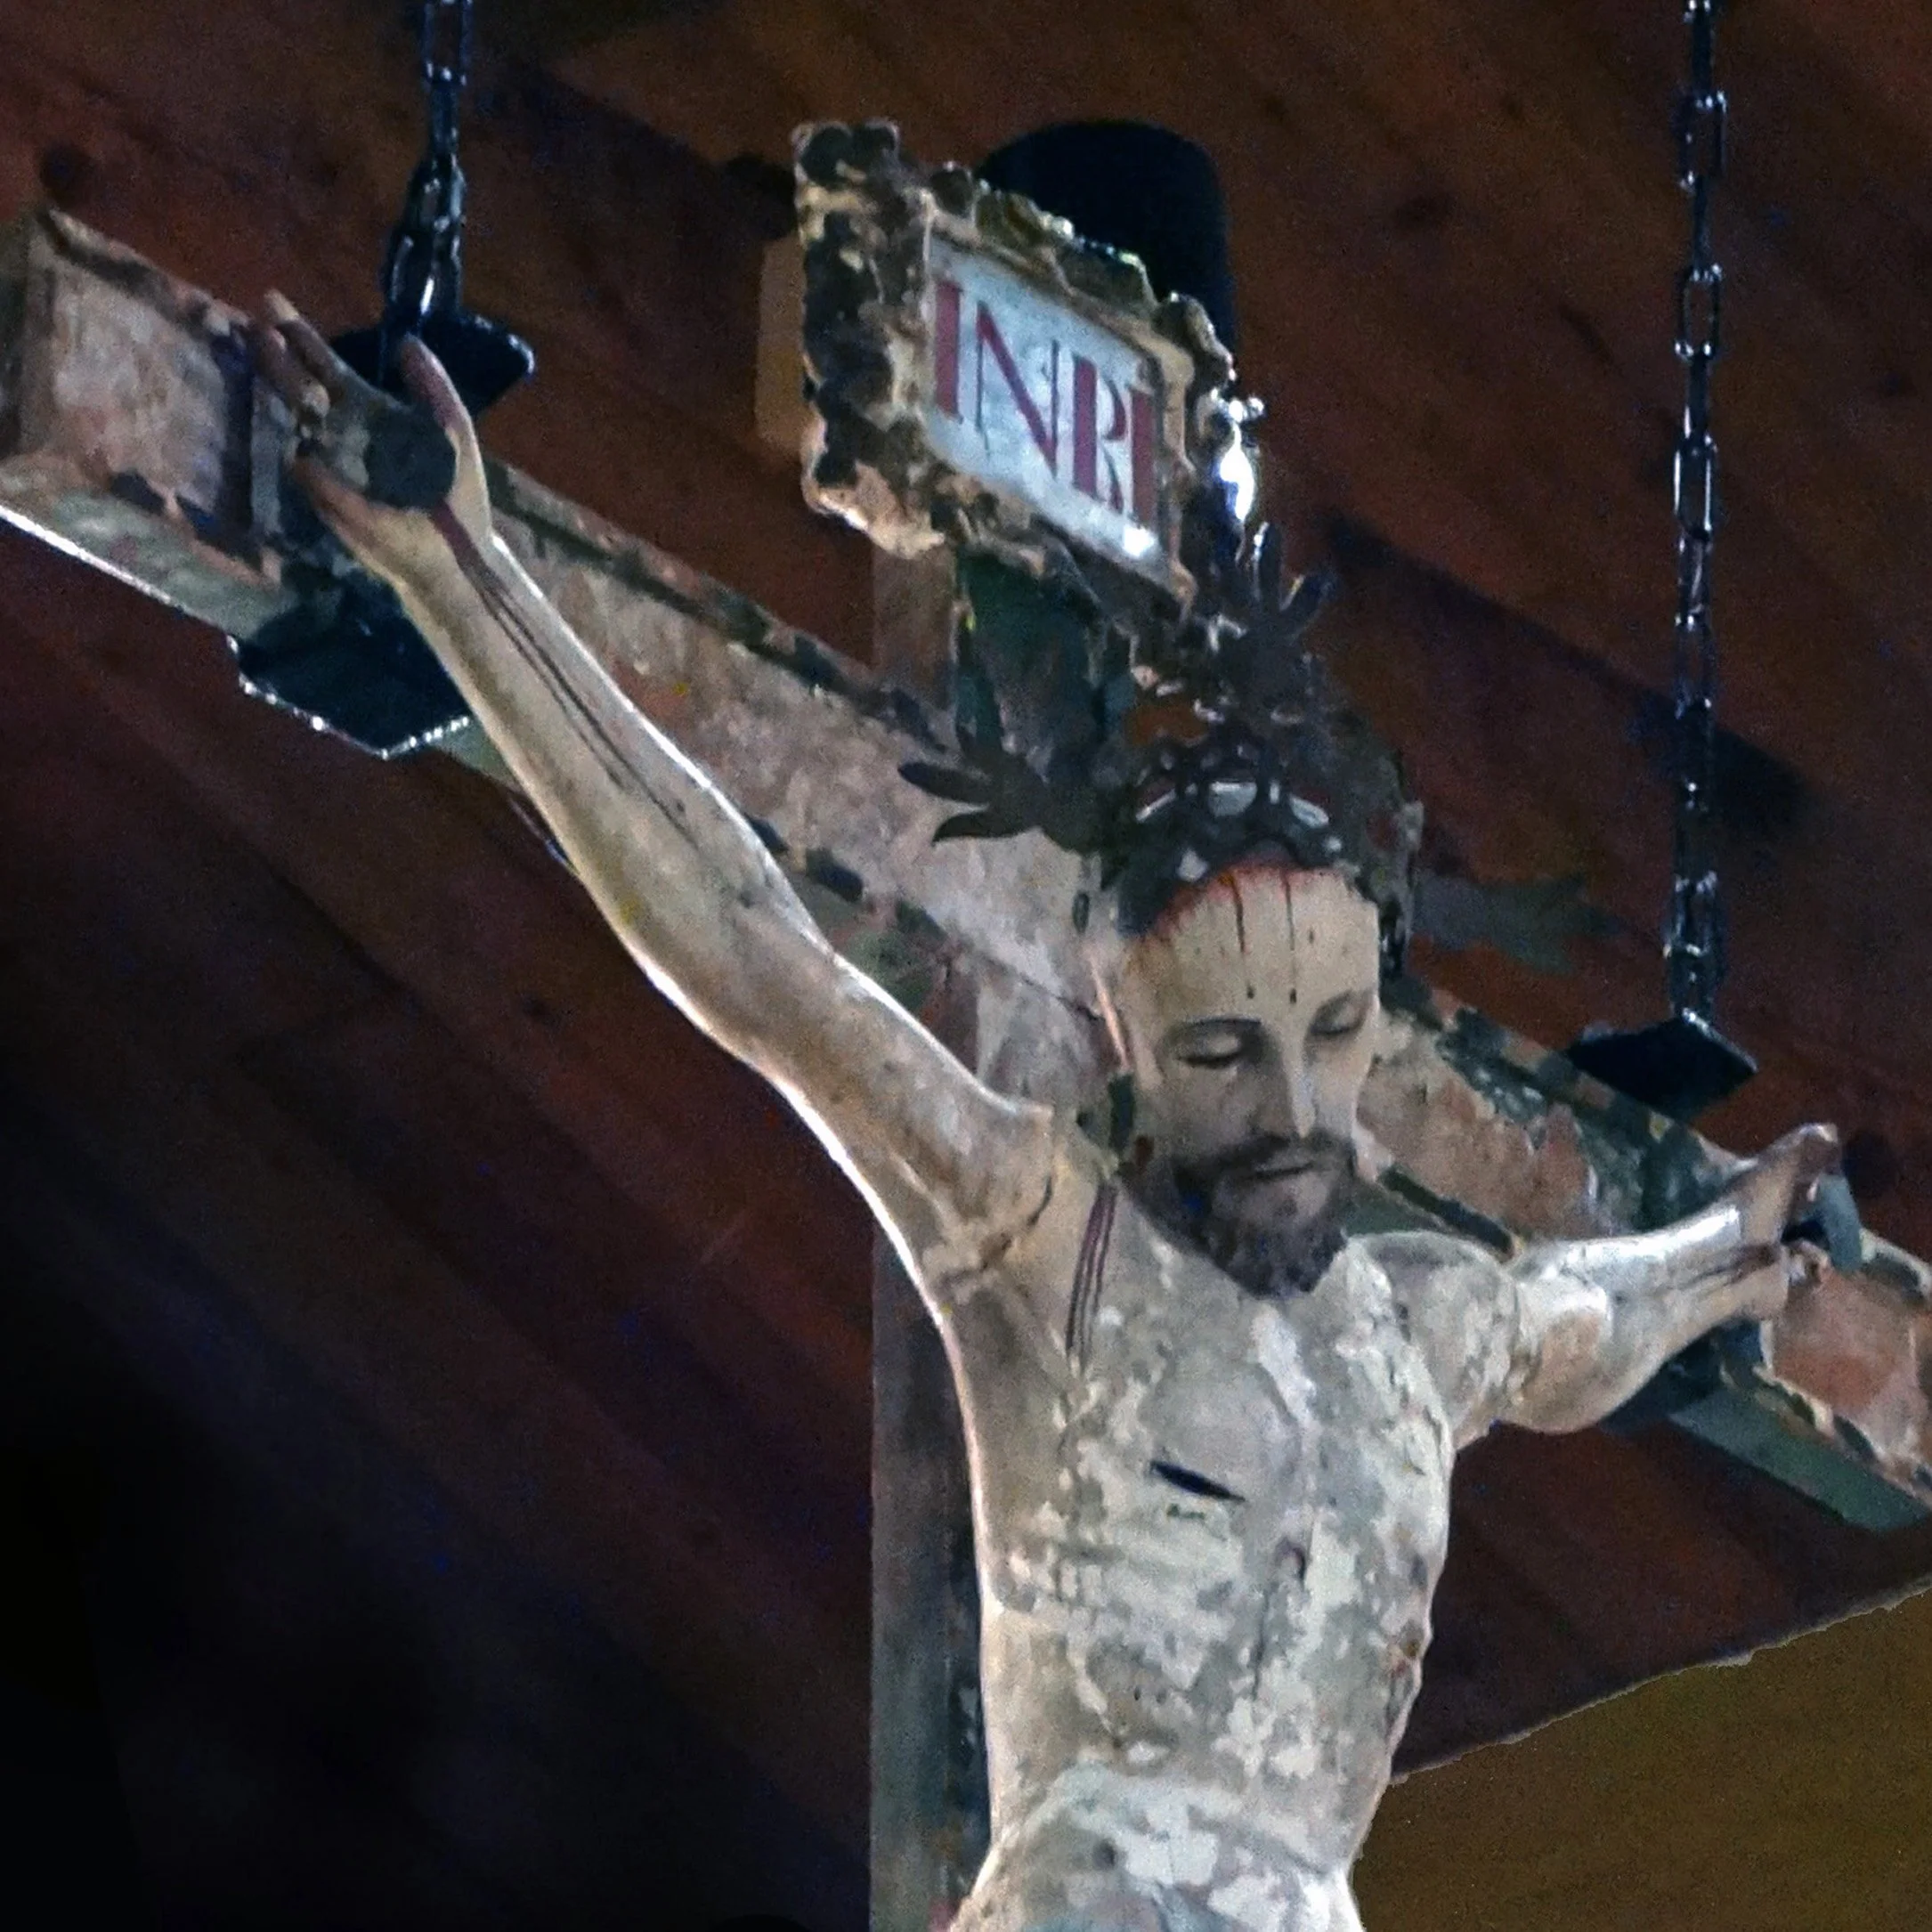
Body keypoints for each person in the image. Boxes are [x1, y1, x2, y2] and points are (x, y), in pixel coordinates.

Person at [251, 298, 1839, 1932]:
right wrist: (464, 578)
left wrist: (1737, 1243)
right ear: (1125, 1033)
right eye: (1225, 1050)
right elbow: (762, 960)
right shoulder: (1045, 1243)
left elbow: (1577, 1319)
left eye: (1335, 1034)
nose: (1294, 1110)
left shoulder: (1415, 1331)